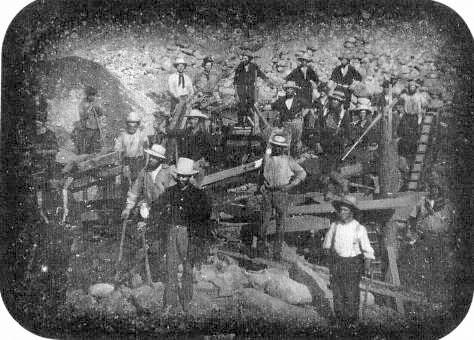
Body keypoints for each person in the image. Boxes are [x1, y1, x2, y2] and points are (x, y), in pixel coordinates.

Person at [149, 157, 212, 312]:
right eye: (180, 176)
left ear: (191, 176)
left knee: (188, 267)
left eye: (185, 176)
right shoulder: (170, 192)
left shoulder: (198, 195)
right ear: (176, 175)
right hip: (172, 231)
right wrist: (150, 215)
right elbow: (156, 207)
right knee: (170, 267)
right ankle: (170, 301)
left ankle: (186, 300)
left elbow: (204, 217)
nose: (182, 179)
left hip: (188, 233)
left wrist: (199, 239)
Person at [322, 195, 375, 326]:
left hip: (353, 264)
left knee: (351, 293)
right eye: (340, 210)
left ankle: (352, 321)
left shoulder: (359, 228)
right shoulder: (334, 226)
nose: (342, 213)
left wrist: (367, 267)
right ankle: (339, 319)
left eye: (345, 210)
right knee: (337, 292)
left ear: (352, 211)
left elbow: (368, 250)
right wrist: (331, 261)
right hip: (337, 263)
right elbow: (327, 246)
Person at [258, 134, 307, 260]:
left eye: (280, 147)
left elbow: (302, 173)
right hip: (268, 193)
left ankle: (277, 253)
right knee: (264, 222)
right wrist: (261, 187)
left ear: (284, 148)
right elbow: (261, 173)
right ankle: (261, 250)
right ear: (272, 146)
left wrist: (291, 185)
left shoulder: (288, 160)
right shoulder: (267, 158)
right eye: (275, 146)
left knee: (280, 224)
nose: (278, 149)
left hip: (281, 192)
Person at [121, 144, 174, 221]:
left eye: (154, 158)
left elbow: (173, 192)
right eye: (151, 156)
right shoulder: (145, 172)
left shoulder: (168, 172)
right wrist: (128, 208)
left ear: (160, 160)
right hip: (149, 208)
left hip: (164, 209)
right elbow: (135, 191)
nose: (151, 159)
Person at [30, 101, 59, 223]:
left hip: (48, 166)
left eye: (39, 121)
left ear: (43, 123)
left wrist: (43, 152)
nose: (37, 124)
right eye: (35, 121)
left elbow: (55, 150)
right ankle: (38, 213)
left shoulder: (50, 134)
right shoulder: (31, 135)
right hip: (35, 167)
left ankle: (48, 213)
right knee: (36, 191)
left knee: (49, 189)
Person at [271, 81, 310, 156]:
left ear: (294, 90)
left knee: (296, 142)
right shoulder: (281, 100)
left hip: (296, 124)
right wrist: (260, 107)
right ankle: (287, 158)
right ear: (285, 90)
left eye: (291, 88)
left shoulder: (299, 99)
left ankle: (296, 158)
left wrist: (302, 115)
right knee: (285, 142)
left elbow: (308, 106)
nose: (289, 90)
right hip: (285, 123)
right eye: (287, 89)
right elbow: (272, 106)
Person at [233, 51, 272, 126]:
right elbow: (235, 81)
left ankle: (250, 123)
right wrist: (236, 93)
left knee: (251, 105)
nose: (243, 60)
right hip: (241, 88)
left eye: (245, 58)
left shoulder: (254, 66)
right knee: (241, 106)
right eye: (243, 58)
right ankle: (240, 123)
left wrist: (268, 81)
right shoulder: (239, 67)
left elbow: (261, 74)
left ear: (249, 59)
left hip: (251, 89)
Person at [114, 111, 149, 190]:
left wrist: (146, 165)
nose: (132, 125)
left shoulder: (142, 135)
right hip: (127, 162)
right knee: (126, 183)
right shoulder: (122, 135)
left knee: (138, 183)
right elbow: (117, 149)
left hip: (138, 163)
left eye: (134, 123)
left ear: (137, 124)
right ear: (127, 124)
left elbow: (147, 152)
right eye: (130, 123)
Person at [397, 81, 428, 162]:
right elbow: (398, 103)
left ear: (415, 88)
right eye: (410, 87)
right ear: (408, 88)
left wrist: (421, 111)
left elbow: (425, 104)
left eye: (413, 87)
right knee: (405, 134)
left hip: (415, 116)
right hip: (406, 116)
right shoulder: (404, 96)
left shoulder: (419, 96)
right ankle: (404, 153)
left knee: (414, 135)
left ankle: (413, 153)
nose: (412, 88)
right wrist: (401, 111)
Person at [71, 86, 104, 155]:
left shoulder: (95, 103)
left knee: (95, 144)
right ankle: (84, 155)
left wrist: (98, 108)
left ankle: (93, 154)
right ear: (87, 95)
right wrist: (89, 109)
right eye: (91, 95)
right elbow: (82, 115)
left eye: (94, 95)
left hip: (95, 127)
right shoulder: (83, 104)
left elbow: (100, 113)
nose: (93, 97)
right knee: (86, 143)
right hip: (87, 127)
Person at [168, 56, 194, 126]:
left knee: (184, 117)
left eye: (182, 66)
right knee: (175, 116)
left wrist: (188, 99)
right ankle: (171, 130)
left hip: (185, 99)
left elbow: (191, 91)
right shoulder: (172, 77)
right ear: (176, 67)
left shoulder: (187, 78)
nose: (180, 67)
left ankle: (181, 131)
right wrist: (178, 98)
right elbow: (171, 90)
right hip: (176, 99)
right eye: (179, 66)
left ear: (184, 67)